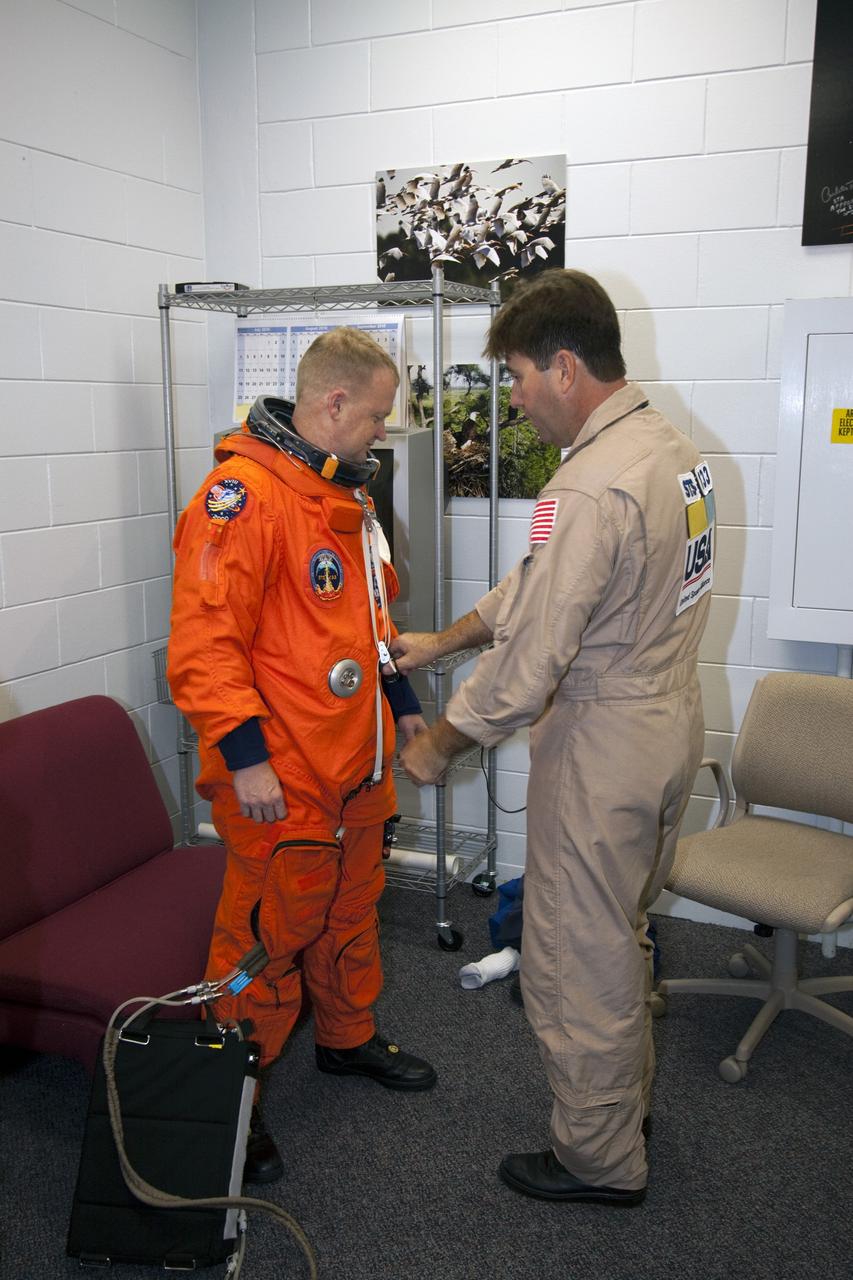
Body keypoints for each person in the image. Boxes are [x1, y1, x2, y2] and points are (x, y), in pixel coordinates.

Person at [394, 269, 713, 1206]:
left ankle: (598, 1160)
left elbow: (535, 652)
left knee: (577, 956)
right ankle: (623, 1107)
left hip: (603, 739)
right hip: (664, 725)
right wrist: (443, 640)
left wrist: (442, 741)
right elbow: (545, 589)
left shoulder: (585, 486)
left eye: (521, 381)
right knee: (617, 931)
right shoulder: (667, 451)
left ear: (565, 367)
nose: (518, 402)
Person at [167, 327, 436, 1186]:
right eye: (378, 417)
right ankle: (225, 1105)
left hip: (355, 763)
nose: (383, 434)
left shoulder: (346, 499)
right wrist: (245, 760)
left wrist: (405, 711)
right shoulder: (241, 497)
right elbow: (205, 644)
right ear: (333, 404)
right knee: (263, 942)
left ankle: (346, 1039)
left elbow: (371, 625)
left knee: (351, 912)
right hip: (280, 776)